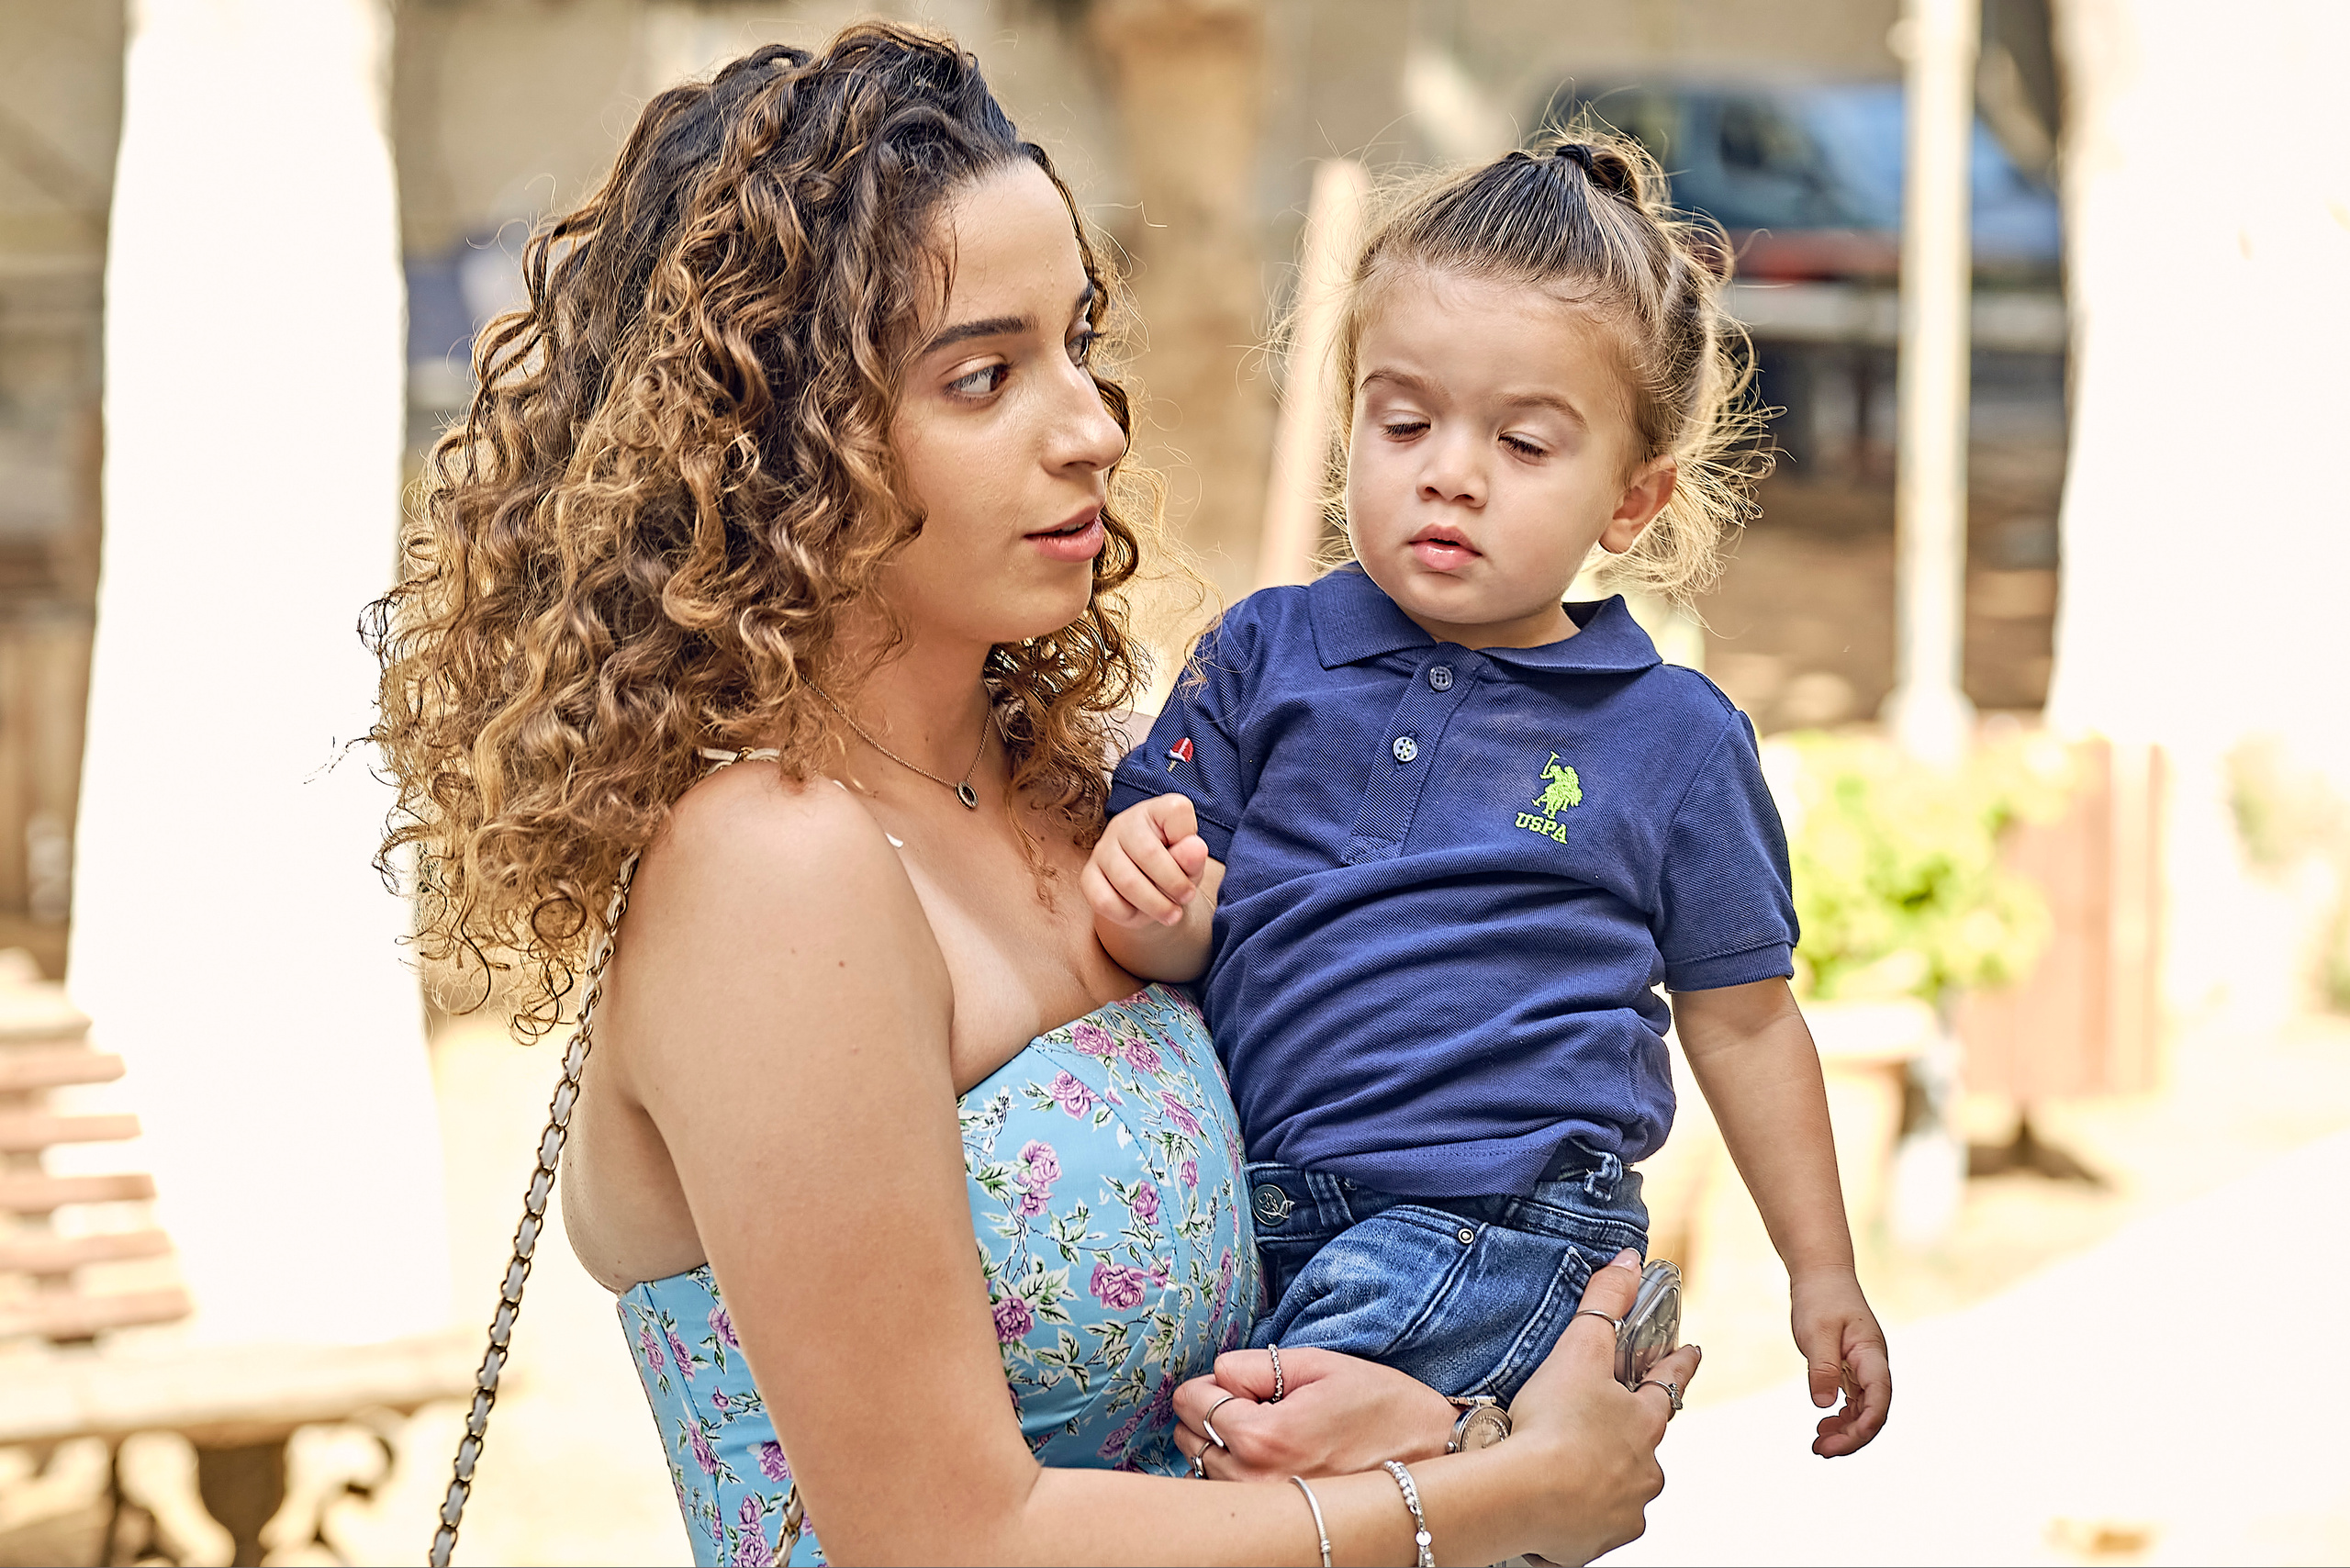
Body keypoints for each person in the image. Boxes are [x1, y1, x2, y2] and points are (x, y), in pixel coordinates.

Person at [368, 25, 1699, 1566]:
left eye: (1081, 342)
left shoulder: (1095, 801)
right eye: (985, 376)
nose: (1092, 426)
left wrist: (1449, 1403)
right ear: (782, 441)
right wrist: (1503, 1492)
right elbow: (945, 1539)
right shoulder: (771, 864)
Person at [1086, 133, 1892, 1457]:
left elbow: (1745, 1023)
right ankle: (1470, 1451)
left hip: (1512, 1224)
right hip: (1265, 1212)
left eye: (1523, 442)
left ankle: (1462, 1440)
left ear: (1632, 500)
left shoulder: (1673, 739)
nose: (1449, 471)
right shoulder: (1260, 655)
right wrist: (1155, 903)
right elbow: (1175, 934)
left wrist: (1822, 1270)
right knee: (1225, 1439)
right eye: (1403, 421)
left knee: (1246, 1452)